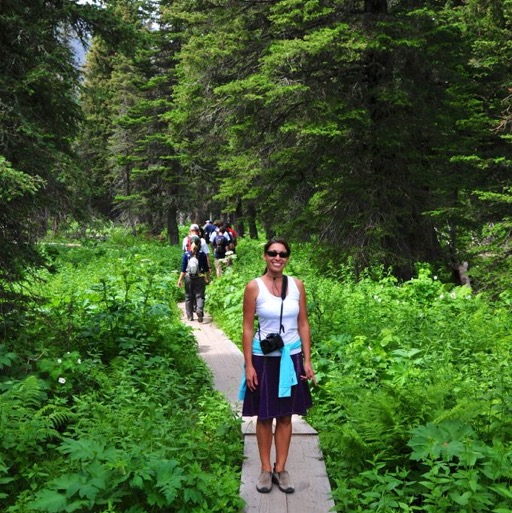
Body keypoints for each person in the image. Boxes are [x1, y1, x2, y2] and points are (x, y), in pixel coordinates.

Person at [238, 237, 316, 494]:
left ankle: (280, 469)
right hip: (263, 358)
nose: (277, 258)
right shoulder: (254, 287)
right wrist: (248, 365)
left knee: (284, 416)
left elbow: (303, 323)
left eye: (282, 254)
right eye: (272, 253)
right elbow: (248, 327)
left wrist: (307, 359)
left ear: (287, 258)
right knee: (264, 415)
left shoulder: (297, 286)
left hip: (290, 357)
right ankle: (264, 469)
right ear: (265, 256)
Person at [177, 236, 210, 322]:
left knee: (188, 297)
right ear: (199, 244)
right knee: (200, 296)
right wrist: (207, 278)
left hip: (188, 278)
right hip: (199, 278)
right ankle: (199, 310)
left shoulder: (186, 254)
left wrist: (180, 280)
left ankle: (190, 316)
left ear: (189, 244)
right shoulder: (202, 254)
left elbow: (183, 269)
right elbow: (206, 269)